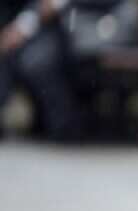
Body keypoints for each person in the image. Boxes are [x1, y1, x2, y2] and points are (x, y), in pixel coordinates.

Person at [0, 0, 89, 141]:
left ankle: (65, 126)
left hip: (58, 29)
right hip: (18, 25)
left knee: (36, 62)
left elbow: (50, 6)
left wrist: (21, 28)